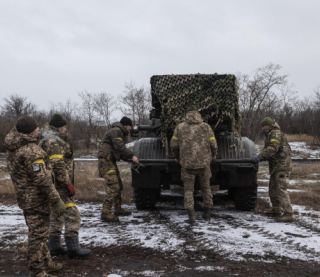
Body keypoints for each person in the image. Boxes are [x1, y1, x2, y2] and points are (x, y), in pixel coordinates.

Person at [4, 116, 65, 277]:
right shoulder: (31, 150)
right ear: (30, 131)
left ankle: (46, 263)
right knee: (37, 237)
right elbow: (43, 180)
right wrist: (57, 200)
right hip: (36, 199)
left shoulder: (14, 145)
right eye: (36, 128)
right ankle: (37, 271)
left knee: (41, 233)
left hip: (26, 197)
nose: (39, 130)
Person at [39, 114, 91, 258]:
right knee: (73, 215)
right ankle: (73, 249)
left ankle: (54, 247)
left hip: (52, 183)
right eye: (64, 127)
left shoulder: (46, 138)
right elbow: (57, 164)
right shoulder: (54, 141)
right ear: (59, 127)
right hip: (60, 185)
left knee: (57, 214)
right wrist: (67, 183)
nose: (65, 129)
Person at [170, 106, 217, 224]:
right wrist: (213, 155)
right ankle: (207, 214)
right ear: (198, 116)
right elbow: (213, 143)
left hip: (187, 165)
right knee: (206, 188)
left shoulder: (180, 127)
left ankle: (191, 216)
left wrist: (177, 157)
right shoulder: (206, 127)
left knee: (188, 190)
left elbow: (174, 145)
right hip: (204, 164)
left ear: (187, 116)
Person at [251, 117, 293, 222]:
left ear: (268, 125)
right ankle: (276, 209)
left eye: (263, 126)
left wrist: (260, 157)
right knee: (273, 189)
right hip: (276, 167)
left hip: (282, 166)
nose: (262, 129)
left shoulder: (275, 134)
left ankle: (288, 213)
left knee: (280, 189)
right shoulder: (270, 134)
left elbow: (272, 148)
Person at [98, 116, 139, 222]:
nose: (130, 129)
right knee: (114, 186)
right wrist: (132, 156)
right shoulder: (116, 131)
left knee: (119, 185)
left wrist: (130, 159)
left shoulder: (118, 132)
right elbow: (119, 147)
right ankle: (105, 213)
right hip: (106, 162)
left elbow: (119, 153)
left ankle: (118, 209)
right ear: (125, 125)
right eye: (129, 126)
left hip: (110, 161)